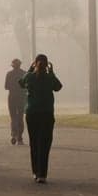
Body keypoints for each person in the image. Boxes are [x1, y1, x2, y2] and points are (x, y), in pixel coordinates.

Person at [18, 53, 62, 184]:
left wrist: (30, 69)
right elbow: (58, 87)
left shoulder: (30, 77)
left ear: (35, 63)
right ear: (47, 64)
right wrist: (52, 72)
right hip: (47, 114)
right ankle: (42, 174)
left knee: (34, 143)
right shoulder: (49, 78)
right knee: (45, 143)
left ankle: (35, 172)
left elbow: (21, 83)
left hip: (32, 114)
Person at [4, 58, 27, 145]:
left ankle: (14, 134)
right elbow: (26, 86)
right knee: (20, 117)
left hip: (12, 97)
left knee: (13, 117)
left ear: (12, 66)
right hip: (21, 98)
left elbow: (6, 86)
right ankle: (20, 137)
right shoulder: (24, 73)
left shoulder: (9, 74)